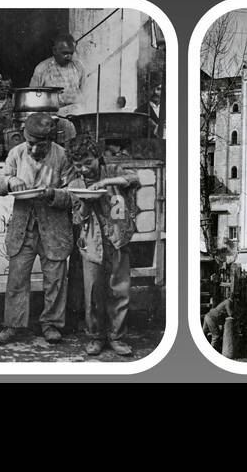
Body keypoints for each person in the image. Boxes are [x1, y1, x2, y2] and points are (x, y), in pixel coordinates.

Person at [0, 113, 74, 346]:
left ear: (51, 139)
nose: (34, 149)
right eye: (31, 144)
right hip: (23, 226)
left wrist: (53, 194)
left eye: (41, 145)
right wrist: (9, 182)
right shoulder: (16, 153)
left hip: (54, 227)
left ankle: (52, 325)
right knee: (17, 277)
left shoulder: (63, 156)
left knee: (55, 278)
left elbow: (74, 194)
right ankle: (13, 326)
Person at [69, 133, 140, 357]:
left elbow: (134, 179)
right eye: (78, 165)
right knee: (93, 294)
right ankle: (95, 338)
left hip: (118, 239)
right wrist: (86, 205)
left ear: (97, 157)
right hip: (91, 244)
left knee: (120, 290)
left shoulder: (113, 172)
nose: (84, 169)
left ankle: (117, 337)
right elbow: (77, 219)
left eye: (88, 163)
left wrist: (104, 182)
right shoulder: (75, 185)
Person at [30, 34, 86, 115]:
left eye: (71, 53)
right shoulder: (42, 69)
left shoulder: (78, 66)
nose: (69, 57)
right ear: (54, 50)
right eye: (65, 53)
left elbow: (83, 91)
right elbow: (33, 97)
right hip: (52, 116)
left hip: (76, 113)